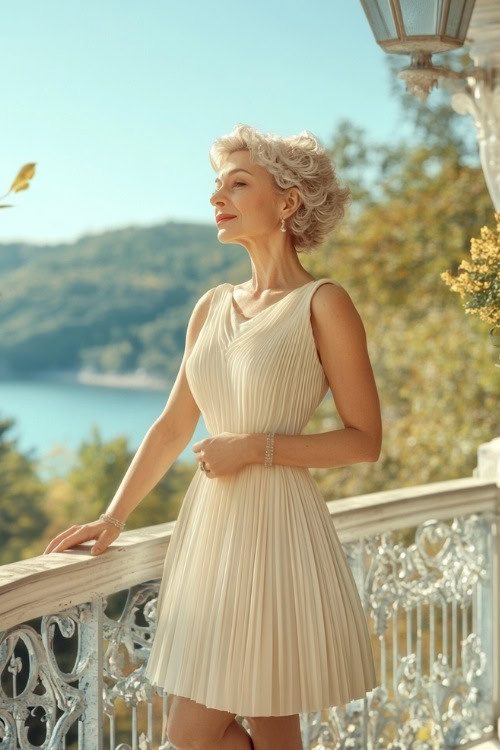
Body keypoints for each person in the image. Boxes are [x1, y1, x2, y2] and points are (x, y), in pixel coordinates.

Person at [43, 122, 382, 750]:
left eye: (238, 183)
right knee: (267, 726)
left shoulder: (323, 303)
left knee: (200, 732)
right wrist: (112, 516)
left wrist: (257, 447)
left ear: (288, 201)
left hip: (278, 532)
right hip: (210, 534)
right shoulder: (212, 305)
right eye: (216, 184)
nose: (216, 197)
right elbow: (174, 425)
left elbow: (364, 440)